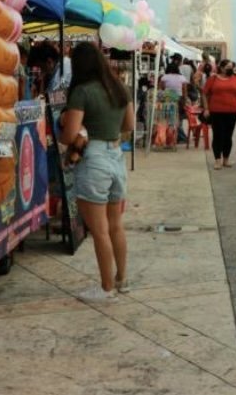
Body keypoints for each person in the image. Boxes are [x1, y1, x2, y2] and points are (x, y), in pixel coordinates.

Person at [59, 42, 136, 302]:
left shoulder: (82, 91)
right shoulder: (118, 87)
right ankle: (122, 279)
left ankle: (105, 288)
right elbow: (130, 125)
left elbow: (69, 134)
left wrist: (67, 129)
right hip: (116, 155)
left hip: (93, 158)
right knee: (115, 225)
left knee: (99, 230)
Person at [202, 59, 236, 169]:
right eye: (228, 67)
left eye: (232, 67)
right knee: (218, 135)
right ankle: (217, 159)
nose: (230, 69)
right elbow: (204, 94)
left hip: (232, 112)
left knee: (228, 136)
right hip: (216, 111)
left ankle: (226, 159)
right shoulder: (213, 79)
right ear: (221, 68)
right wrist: (206, 108)